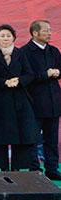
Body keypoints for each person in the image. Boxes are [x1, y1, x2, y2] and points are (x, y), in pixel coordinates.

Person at [0, 25, 41, 171]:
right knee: (0, 137)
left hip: (20, 100)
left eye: (8, 36)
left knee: (21, 136)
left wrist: (19, 81)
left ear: (13, 38)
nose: (5, 38)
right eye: (2, 36)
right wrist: (4, 82)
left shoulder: (21, 54)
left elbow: (30, 74)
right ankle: (3, 169)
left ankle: (17, 168)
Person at [21, 20, 61, 179]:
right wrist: (46, 74)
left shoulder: (54, 51)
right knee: (33, 138)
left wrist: (57, 72)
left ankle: (52, 168)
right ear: (35, 33)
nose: (50, 33)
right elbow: (27, 77)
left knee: (52, 139)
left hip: (53, 103)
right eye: (46, 31)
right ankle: (34, 169)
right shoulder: (25, 52)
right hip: (34, 103)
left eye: (50, 30)